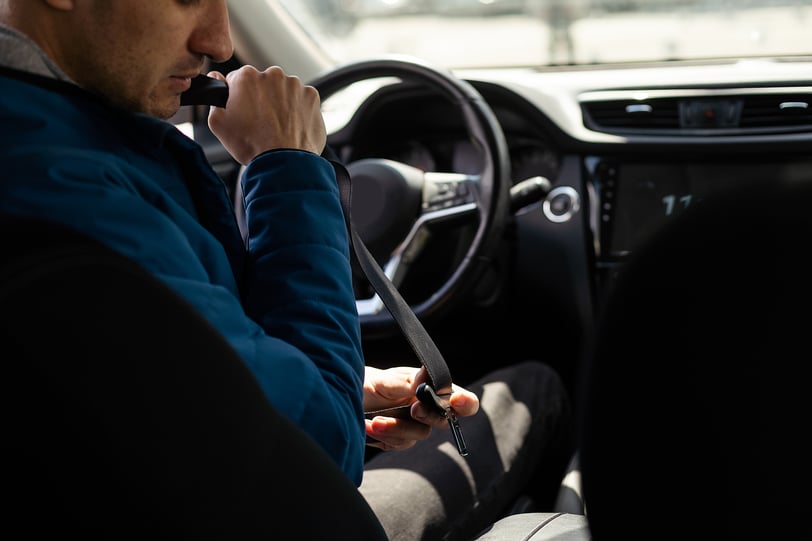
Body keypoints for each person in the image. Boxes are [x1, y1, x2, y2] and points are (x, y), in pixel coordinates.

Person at [0, 1, 573, 539]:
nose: (218, 40)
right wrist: (289, 166)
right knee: (534, 389)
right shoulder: (70, 188)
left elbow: (139, 371)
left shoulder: (59, 142)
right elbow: (318, 454)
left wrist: (322, 379)